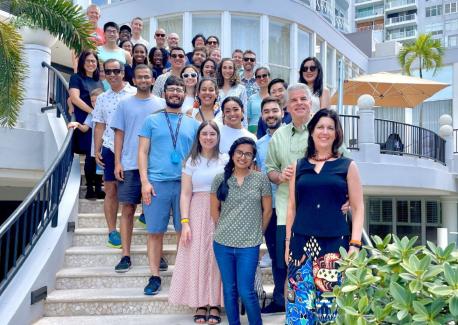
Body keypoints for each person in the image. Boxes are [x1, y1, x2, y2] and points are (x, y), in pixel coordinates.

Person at [284, 108, 364, 323]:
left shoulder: (347, 166)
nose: (325, 132)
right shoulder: (298, 165)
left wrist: (355, 244)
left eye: (330, 128)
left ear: (336, 134)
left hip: (334, 246)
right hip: (301, 245)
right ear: (311, 132)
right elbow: (292, 207)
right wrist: (287, 242)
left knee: (330, 310)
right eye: (320, 127)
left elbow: (358, 207)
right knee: (299, 309)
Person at [138, 76, 199, 296]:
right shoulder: (151, 121)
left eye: (179, 90)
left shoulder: (193, 124)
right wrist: (144, 182)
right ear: (164, 94)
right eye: (171, 89)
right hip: (157, 184)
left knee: (187, 233)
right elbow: (142, 152)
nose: (175, 93)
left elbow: (198, 156)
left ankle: (185, 275)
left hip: (185, 186)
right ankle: (154, 276)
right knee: (155, 232)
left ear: (185, 94)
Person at [169, 120, 227, 324]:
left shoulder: (225, 160)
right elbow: (185, 194)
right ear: (198, 137)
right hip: (195, 211)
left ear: (218, 137)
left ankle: (216, 302)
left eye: (212, 134)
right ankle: (201, 302)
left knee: (216, 258)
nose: (208, 137)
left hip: (219, 211)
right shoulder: (190, 162)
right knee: (197, 257)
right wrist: (185, 222)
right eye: (205, 134)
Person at [210, 137, 272, 325]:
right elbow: (214, 210)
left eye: (248, 154)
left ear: (253, 158)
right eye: (239, 152)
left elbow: (267, 210)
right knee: (229, 290)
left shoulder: (261, 179)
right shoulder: (220, 179)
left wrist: (257, 232)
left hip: (249, 245)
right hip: (223, 244)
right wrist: (223, 229)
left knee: (246, 290)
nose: (243, 157)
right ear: (232, 154)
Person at [110, 65, 165, 273]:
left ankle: (156, 254)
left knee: (154, 213)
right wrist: (117, 162)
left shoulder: (161, 104)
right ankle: (125, 254)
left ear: (152, 80)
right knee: (128, 209)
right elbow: (119, 135)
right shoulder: (124, 104)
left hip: (155, 166)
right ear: (134, 80)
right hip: (131, 164)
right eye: (139, 77)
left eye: (147, 77)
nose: (143, 80)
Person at [93, 59, 137, 248]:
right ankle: (112, 231)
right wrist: (96, 149)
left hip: (133, 149)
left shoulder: (135, 93)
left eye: (115, 71)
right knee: (110, 190)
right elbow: (99, 125)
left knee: (134, 193)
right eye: (108, 71)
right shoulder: (102, 98)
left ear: (123, 73)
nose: (112, 75)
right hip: (110, 148)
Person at [255, 97, 286, 314]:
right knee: (276, 256)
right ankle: (279, 298)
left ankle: (293, 297)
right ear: (262, 116)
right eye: (266, 112)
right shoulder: (258, 145)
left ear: (282, 112)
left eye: (274, 110)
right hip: (271, 208)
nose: (271, 115)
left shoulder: (294, 137)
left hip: (294, 206)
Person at [69, 51, 104, 198]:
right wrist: (92, 112)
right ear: (83, 62)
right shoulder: (76, 78)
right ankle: (90, 188)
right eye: (88, 61)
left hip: (100, 123)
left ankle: (98, 187)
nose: (91, 64)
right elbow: (74, 99)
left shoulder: (99, 81)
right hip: (86, 120)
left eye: (94, 61)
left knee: (98, 155)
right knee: (89, 157)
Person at [216, 58, 248, 128]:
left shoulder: (241, 89)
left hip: (235, 126)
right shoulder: (215, 88)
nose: (227, 71)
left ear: (234, 70)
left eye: (230, 68)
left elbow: (244, 112)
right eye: (224, 68)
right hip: (217, 127)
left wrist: (245, 129)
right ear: (220, 70)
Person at [247, 66, 270, 134]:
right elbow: (248, 119)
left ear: (269, 77)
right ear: (256, 80)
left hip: (269, 130)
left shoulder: (274, 97)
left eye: (264, 75)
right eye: (258, 76)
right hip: (252, 131)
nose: (261, 78)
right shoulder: (251, 98)